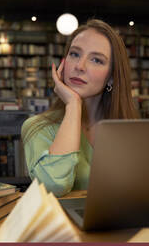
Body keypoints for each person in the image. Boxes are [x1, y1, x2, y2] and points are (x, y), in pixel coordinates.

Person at [21, 19, 140, 197]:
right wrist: (73, 105)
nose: (79, 66)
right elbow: (54, 186)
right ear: (64, 62)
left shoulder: (131, 129)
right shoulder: (37, 126)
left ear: (112, 77)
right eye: (75, 54)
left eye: (96, 60)